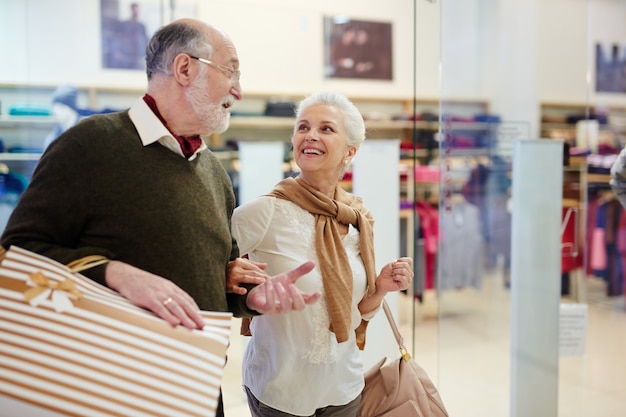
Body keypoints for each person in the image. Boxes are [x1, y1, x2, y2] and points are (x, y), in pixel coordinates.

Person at [0, 18, 321, 417]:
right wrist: (115, 273)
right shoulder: (91, 144)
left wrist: (249, 297)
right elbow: (13, 253)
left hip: (197, 386)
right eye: (231, 72)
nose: (238, 90)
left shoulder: (213, 172)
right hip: (108, 389)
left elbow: (216, 278)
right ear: (185, 69)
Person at [231, 91, 414, 417]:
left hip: (343, 389)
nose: (310, 135)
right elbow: (207, 264)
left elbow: (358, 313)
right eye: (303, 127)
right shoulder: (267, 211)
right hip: (280, 393)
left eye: (326, 128)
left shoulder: (357, 218)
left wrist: (382, 288)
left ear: (350, 151)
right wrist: (236, 280)